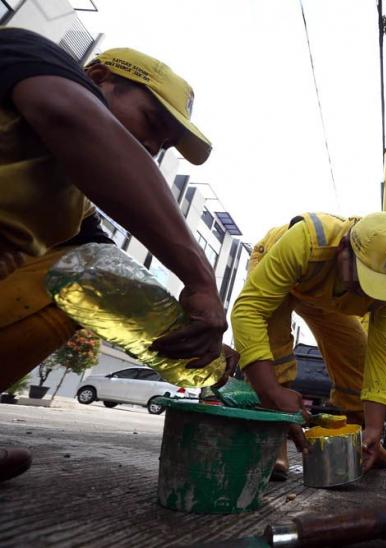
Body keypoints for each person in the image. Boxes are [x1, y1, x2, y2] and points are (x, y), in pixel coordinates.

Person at [0, 29, 226, 481]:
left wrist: (200, 337)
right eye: (151, 123)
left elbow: (125, 287)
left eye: (163, 146)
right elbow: (72, 117)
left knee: (90, 279)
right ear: (98, 77)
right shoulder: (25, 51)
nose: (152, 148)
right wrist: (201, 278)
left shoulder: (76, 214)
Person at [231, 211, 386, 476]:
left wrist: (375, 427)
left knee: (358, 356)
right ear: (343, 249)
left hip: (323, 293)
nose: (369, 294)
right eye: (364, 280)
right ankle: (272, 441)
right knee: (273, 346)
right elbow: (248, 311)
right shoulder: (307, 241)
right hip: (283, 269)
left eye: (380, 286)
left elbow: (382, 352)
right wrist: (271, 390)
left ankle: (363, 441)